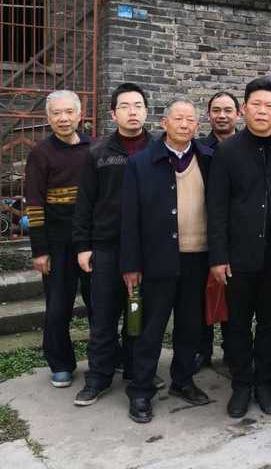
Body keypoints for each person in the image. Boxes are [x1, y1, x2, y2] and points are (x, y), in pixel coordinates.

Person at [208, 76, 271, 418]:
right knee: (236, 324)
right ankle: (240, 383)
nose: (262, 111)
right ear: (244, 109)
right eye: (256, 105)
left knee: (269, 324)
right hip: (238, 257)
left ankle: (264, 382)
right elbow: (216, 207)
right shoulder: (227, 151)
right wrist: (218, 256)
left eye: (269, 105)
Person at [120, 99, 213, 423]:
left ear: (197, 125)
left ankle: (183, 380)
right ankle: (141, 390)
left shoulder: (208, 159)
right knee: (150, 328)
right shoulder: (141, 163)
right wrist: (130, 265)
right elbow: (129, 219)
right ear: (164, 123)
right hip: (156, 260)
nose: (185, 124)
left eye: (190, 120)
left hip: (197, 259)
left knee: (190, 326)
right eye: (178, 119)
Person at [72, 83, 164, 406]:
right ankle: (98, 376)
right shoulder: (98, 153)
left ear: (147, 111)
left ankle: (137, 369)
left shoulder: (159, 150)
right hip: (107, 246)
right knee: (104, 315)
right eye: (124, 106)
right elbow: (84, 203)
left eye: (138, 105)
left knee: (140, 313)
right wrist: (83, 246)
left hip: (147, 247)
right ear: (113, 114)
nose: (132, 112)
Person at [24, 90, 91, 388]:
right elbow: (34, 205)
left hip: (90, 239)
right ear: (48, 118)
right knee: (58, 305)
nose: (63, 118)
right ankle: (60, 363)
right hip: (56, 242)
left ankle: (105, 356)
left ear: (80, 114)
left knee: (99, 302)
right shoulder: (41, 153)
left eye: (69, 112)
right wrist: (40, 250)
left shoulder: (94, 148)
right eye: (56, 113)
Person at [196, 90, 241, 371]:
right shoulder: (198, 148)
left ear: (238, 113)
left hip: (236, 234)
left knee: (233, 296)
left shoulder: (246, 146)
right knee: (202, 296)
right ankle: (201, 349)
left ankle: (232, 349)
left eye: (228, 110)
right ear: (209, 114)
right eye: (216, 110)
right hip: (202, 231)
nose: (222, 116)